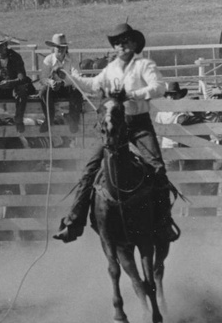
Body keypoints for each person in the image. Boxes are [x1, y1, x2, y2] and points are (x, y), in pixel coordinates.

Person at [53, 23, 179, 244]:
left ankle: (163, 222)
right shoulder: (110, 69)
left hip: (139, 125)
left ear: (134, 44)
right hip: (115, 126)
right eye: (118, 42)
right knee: (89, 170)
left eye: (125, 41)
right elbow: (93, 85)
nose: (121, 45)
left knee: (157, 168)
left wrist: (132, 94)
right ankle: (74, 222)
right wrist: (68, 77)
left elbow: (158, 87)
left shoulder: (144, 65)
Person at [0, 30, 35, 133]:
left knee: (22, 89)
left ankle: (18, 120)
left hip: (13, 89)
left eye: (1, 46)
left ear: (6, 45)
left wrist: (10, 82)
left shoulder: (15, 57)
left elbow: (22, 77)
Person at [38, 33, 83, 133]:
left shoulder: (72, 59)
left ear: (66, 47)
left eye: (63, 47)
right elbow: (42, 78)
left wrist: (63, 82)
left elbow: (77, 77)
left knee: (77, 91)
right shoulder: (48, 60)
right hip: (53, 90)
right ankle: (49, 119)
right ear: (53, 47)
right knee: (43, 91)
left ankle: (73, 120)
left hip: (67, 88)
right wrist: (50, 82)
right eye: (58, 47)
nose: (60, 49)